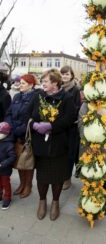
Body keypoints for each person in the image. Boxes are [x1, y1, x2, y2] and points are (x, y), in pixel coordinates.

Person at [27, 69, 76, 220]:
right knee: (42, 177)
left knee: (57, 177)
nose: (43, 84)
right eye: (42, 82)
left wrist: (51, 127)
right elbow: (28, 115)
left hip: (59, 145)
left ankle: (55, 202)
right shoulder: (37, 96)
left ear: (55, 83)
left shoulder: (66, 98)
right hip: (40, 145)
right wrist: (35, 125)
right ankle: (42, 202)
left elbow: (70, 119)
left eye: (46, 82)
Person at [78, 97, 106, 215]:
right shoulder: (86, 104)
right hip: (89, 148)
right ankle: (89, 204)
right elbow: (81, 124)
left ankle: (105, 204)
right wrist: (87, 143)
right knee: (90, 175)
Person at [5, 74, 36, 198]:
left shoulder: (35, 97)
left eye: (23, 83)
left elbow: (32, 117)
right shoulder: (17, 96)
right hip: (15, 133)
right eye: (20, 83)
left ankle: (28, 185)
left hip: (27, 135)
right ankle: (22, 184)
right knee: (19, 161)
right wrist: (10, 126)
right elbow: (9, 113)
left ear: (31, 85)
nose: (19, 85)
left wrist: (19, 129)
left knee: (27, 162)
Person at [60, 65, 81, 190]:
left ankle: (67, 178)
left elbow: (76, 108)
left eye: (67, 74)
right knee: (60, 153)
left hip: (71, 128)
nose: (65, 76)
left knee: (69, 154)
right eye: (63, 74)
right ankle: (61, 175)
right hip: (59, 127)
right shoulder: (58, 88)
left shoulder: (75, 90)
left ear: (71, 75)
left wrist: (67, 119)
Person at [0, 122, 16, 210]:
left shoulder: (9, 144)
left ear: (6, 133)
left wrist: (3, 163)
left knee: (5, 183)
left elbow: (13, 157)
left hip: (5, 170)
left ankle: (7, 198)